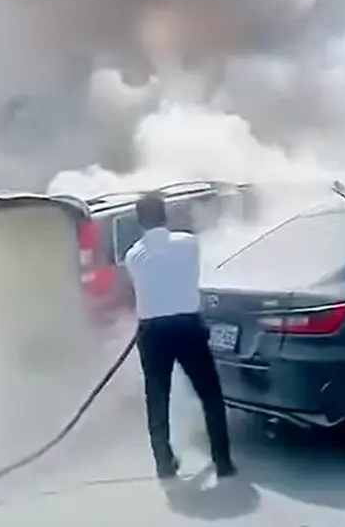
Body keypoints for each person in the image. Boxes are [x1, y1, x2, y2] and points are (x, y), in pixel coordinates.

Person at [124, 191, 236, 480]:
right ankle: (222, 462)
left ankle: (164, 464)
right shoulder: (188, 243)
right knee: (210, 394)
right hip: (187, 327)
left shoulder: (133, 256)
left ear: (140, 221)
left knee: (157, 399)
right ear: (165, 216)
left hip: (152, 332)